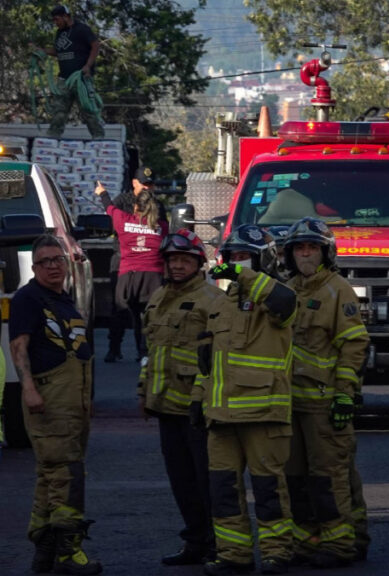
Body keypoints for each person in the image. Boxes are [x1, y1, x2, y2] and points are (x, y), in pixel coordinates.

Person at [193, 225, 297, 576]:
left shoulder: (279, 295)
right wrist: (197, 399)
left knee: (268, 491)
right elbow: (206, 360)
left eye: (243, 257)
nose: (235, 264)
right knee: (223, 491)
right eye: (232, 257)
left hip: (263, 412)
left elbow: (284, 305)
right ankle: (233, 554)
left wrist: (243, 273)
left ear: (262, 259)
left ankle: (277, 552)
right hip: (221, 416)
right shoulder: (219, 304)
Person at [9, 235, 101, 575]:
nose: (52, 266)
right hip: (49, 400)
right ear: (33, 268)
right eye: (44, 261)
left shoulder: (64, 300)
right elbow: (19, 346)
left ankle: (44, 550)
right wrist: (28, 389)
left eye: (57, 260)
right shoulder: (28, 299)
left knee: (51, 475)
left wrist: (85, 400)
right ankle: (68, 553)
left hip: (72, 402)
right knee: (67, 475)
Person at [281, 218, 369, 567]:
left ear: (325, 253)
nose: (305, 253)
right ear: (289, 254)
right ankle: (307, 542)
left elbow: (353, 344)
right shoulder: (285, 290)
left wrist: (344, 393)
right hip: (289, 403)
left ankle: (342, 545)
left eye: (312, 247)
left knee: (330, 477)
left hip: (323, 404)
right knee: (295, 479)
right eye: (300, 248)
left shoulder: (337, 290)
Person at [139, 229, 226, 566]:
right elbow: (150, 351)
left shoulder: (211, 301)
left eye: (184, 260)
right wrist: (142, 391)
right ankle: (195, 541)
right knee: (181, 482)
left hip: (197, 408)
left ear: (198, 263)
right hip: (165, 407)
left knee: (208, 481)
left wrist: (207, 400)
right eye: (172, 259)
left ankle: (220, 544)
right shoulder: (158, 298)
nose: (176, 266)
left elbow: (219, 356)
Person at [95, 168, 167, 362]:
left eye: (150, 184)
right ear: (134, 182)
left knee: (146, 312)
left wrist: (102, 194)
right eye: (144, 183)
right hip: (123, 260)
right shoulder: (123, 201)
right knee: (119, 309)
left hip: (141, 265)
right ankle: (114, 347)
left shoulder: (157, 205)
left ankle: (143, 350)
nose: (147, 187)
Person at [45, 5, 104, 139]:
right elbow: (58, 51)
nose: (56, 23)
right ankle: (53, 136)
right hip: (64, 78)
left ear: (66, 16)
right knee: (59, 109)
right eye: (53, 20)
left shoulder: (81, 29)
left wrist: (88, 66)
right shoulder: (60, 33)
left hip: (81, 77)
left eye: (57, 19)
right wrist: (41, 51)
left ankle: (98, 135)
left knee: (87, 108)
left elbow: (95, 45)